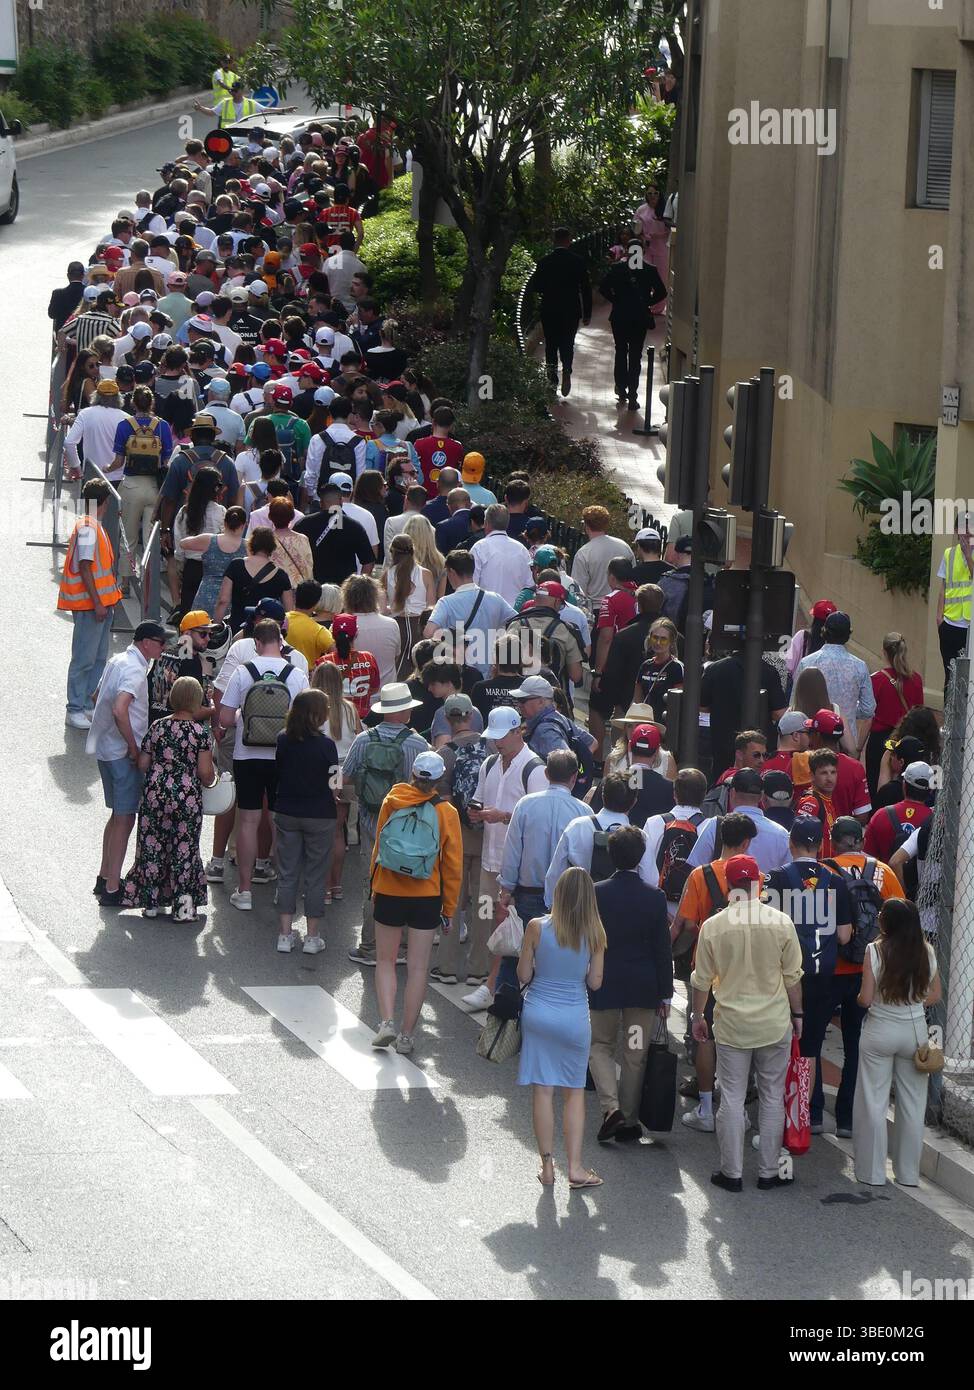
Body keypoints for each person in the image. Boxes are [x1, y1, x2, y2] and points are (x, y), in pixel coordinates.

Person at [690, 854, 804, 1192]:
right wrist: (798, 1016)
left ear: (728, 884)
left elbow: (701, 980)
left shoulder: (714, 926)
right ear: (759, 883)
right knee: (771, 1097)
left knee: (732, 1099)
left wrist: (698, 1017)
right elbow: (792, 977)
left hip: (732, 1025)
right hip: (773, 1023)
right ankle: (769, 1172)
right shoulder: (781, 922)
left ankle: (732, 1172)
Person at [813, 815, 905, 1137]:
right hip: (867, 969)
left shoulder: (821, 871)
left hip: (827, 968)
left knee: (811, 1040)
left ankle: (812, 1116)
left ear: (832, 841)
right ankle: (847, 1120)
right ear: (861, 841)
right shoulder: (883, 872)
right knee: (855, 1044)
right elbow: (899, 918)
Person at [515, 865, 605, 1188]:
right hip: (574, 1016)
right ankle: (576, 1168)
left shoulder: (536, 927)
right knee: (574, 1093)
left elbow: (524, 975)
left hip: (539, 1012)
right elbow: (595, 982)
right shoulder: (596, 933)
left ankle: (548, 1166)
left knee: (543, 1089)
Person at [369, 751, 462, 1056]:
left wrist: (373, 887)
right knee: (418, 967)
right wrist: (448, 910)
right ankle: (407, 1036)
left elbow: (378, 846)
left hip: (389, 889)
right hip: (426, 894)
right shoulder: (446, 813)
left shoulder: (392, 800)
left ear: (412, 774)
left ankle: (386, 1022)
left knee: (385, 961)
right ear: (438, 779)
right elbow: (452, 867)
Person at [459, 706, 551, 1005]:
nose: (496, 743)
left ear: (517, 732)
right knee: (488, 919)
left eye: (501, 737)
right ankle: (492, 982)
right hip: (490, 859)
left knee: (509, 925)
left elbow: (539, 820)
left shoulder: (535, 769)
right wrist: (476, 813)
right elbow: (479, 799)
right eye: (493, 737)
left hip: (517, 866)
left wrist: (503, 816)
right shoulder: (489, 764)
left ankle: (496, 985)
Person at [766, 816, 852, 1133]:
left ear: (791, 842)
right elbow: (844, 936)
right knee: (810, 1048)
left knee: (776, 1046)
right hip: (820, 974)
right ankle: (800, 1117)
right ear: (821, 846)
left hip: (783, 974)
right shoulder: (836, 881)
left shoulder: (776, 878)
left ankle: (773, 1116)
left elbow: (766, 926)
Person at [217, 618, 310, 911]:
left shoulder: (244, 672)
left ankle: (244, 891)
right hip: (284, 756)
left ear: (256, 643)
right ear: (281, 641)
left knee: (248, 821)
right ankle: (282, 890)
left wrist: (247, 718)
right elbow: (305, 721)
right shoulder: (296, 675)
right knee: (280, 822)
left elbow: (225, 719)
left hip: (248, 755)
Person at [588, 826, 672, 1144]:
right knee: (635, 1052)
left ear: (611, 854)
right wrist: (665, 992)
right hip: (643, 988)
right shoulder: (654, 897)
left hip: (604, 981)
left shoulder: (597, 892)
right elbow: (662, 949)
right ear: (641, 857)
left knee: (600, 1046)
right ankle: (629, 1117)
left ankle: (610, 1108)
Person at [343, 683, 431, 967]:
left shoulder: (364, 739)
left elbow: (345, 777)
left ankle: (370, 947)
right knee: (407, 879)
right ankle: (402, 947)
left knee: (372, 884)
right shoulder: (418, 744)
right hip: (409, 825)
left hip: (371, 821)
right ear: (404, 711)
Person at [854, 900, 941, 1187]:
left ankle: (872, 1173)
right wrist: (912, 1003)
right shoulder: (926, 952)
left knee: (873, 1100)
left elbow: (865, 999)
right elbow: (935, 995)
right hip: (914, 1031)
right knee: (913, 1105)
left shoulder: (874, 951)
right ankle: (907, 1174)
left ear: (886, 923)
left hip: (880, 1028)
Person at [86, 621, 168, 905]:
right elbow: (120, 708)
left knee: (115, 817)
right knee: (125, 818)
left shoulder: (117, 659)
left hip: (105, 751)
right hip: (122, 754)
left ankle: (103, 876)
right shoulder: (134, 669)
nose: (164, 647)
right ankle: (112, 888)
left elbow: (96, 697)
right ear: (146, 642)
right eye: (160, 642)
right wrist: (134, 747)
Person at [121, 675, 214, 922]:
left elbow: (143, 764)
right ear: (196, 701)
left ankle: (151, 904)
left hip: (155, 795)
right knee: (184, 851)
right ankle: (183, 911)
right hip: (186, 799)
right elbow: (205, 774)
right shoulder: (199, 733)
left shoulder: (158, 727)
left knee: (152, 847)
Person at [274, 688, 339, 954]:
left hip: (288, 811)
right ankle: (312, 937)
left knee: (287, 873)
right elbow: (335, 784)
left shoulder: (283, 739)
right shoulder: (327, 746)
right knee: (315, 876)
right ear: (317, 714)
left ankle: (285, 934)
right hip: (320, 814)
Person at [59, 478, 124, 729]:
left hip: (99, 605)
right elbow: (86, 567)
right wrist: (98, 603)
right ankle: (75, 708)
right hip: (91, 606)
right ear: (105, 502)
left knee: (96, 658)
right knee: (85, 658)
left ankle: (86, 704)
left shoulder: (91, 526)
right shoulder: (89, 527)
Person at [545, 771, 660, 905]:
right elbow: (650, 880)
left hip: (580, 910)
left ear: (602, 795)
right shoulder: (640, 837)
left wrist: (551, 906)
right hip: (622, 911)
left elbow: (555, 873)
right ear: (634, 802)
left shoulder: (577, 826)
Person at [309, 660, 362, 902]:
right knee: (337, 833)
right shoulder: (350, 709)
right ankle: (336, 886)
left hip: (319, 773)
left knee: (318, 835)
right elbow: (359, 739)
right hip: (345, 773)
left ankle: (322, 888)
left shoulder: (313, 711)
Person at [700, 647, 788, 783]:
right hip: (758, 746)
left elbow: (702, 705)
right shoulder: (768, 672)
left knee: (722, 786)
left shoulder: (715, 669)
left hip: (723, 744)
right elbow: (779, 713)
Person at [795, 611, 876, 759]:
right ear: (848, 635)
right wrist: (848, 709)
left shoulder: (807, 662)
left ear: (824, 632)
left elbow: (795, 703)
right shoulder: (859, 666)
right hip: (846, 741)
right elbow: (868, 709)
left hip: (812, 741)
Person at [425, 549, 515, 679]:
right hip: (492, 670)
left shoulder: (446, 602)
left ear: (452, 572)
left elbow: (428, 633)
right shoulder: (495, 598)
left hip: (460, 672)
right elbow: (517, 621)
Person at [523, 227, 592, 397]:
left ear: (554, 241)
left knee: (551, 344)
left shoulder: (544, 262)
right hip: (571, 308)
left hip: (550, 308)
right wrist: (587, 313)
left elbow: (537, 287)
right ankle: (567, 369)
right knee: (568, 342)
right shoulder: (578, 261)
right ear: (568, 240)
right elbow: (586, 288)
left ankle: (552, 379)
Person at [598, 237, 666, 409]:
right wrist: (647, 302)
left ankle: (622, 389)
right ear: (641, 251)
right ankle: (633, 396)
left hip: (620, 316)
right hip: (639, 317)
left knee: (621, 351)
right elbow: (661, 291)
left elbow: (603, 288)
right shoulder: (649, 270)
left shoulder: (617, 269)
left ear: (628, 251)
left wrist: (616, 300)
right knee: (635, 356)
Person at [688, 767, 791, 874]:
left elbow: (695, 869)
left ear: (732, 793)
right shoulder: (781, 834)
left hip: (721, 889)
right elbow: (787, 877)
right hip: (764, 890)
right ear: (761, 796)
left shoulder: (715, 825)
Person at [866, 633, 925, 799]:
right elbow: (918, 710)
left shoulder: (877, 680)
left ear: (884, 652)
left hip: (880, 741)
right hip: (907, 738)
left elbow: (868, 716)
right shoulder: (916, 680)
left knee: (875, 784)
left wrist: (858, 747)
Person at [213, 527, 294, 633]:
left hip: (238, 626)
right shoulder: (281, 575)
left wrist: (216, 627)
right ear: (272, 547)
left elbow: (223, 600)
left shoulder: (236, 565)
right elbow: (289, 611)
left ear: (251, 544)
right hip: (267, 632)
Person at [178, 507, 249, 619]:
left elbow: (183, 543)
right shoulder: (248, 546)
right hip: (232, 597)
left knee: (199, 631)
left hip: (206, 594)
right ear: (244, 524)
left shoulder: (209, 540)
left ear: (224, 522)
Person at [381, 533, 435, 670]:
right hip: (419, 625)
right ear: (413, 551)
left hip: (396, 625)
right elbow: (431, 606)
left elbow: (382, 608)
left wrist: (392, 608)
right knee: (421, 667)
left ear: (392, 553)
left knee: (397, 667)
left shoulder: (387, 575)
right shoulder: (426, 574)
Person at [863, 762, 934, 861]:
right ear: (930, 790)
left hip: (885, 875)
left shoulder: (881, 815)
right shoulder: (934, 821)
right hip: (921, 876)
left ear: (904, 785)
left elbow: (866, 858)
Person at [340, 573, 401, 688]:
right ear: (374, 597)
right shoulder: (391, 625)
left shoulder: (340, 626)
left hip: (353, 696)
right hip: (386, 694)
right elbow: (395, 656)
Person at [936, 511, 973, 691]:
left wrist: (968, 556)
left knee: (967, 679)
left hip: (969, 627)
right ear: (956, 530)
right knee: (950, 676)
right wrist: (939, 617)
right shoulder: (949, 554)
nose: (967, 532)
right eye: (963, 527)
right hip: (949, 624)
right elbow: (944, 586)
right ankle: (949, 718)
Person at [471, 504, 534, 606]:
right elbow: (529, 585)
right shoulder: (521, 549)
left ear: (486, 523)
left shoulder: (479, 548)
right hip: (514, 613)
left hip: (486, 610)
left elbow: (472, 584)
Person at [571, 507, 634, 607]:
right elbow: (633, 578)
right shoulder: (624, 546)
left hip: (596, 607)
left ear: (586, 526)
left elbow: (579, 589)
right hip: (624, 604)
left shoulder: (584, 553)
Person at [636, 617, 684, 725]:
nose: (658, 642)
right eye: (655, 638)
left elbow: (680, 704)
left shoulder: (677, 667)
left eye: (663, 639)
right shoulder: (645, 665)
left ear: (671, 642)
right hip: (645, 725)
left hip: (667, 726)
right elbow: (637, 700)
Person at [794, 749, 840, 856]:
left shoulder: (827, 801)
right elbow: (801, 843)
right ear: (812, 775)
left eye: (833, 772)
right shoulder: (811, 802)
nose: (829, 778)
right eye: (824, 773)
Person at [281, 580, 337, 667]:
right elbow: (335, 653)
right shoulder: (318, 630)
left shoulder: (279, 620)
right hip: (306, 677)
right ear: (317, 602)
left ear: (295, 597)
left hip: (277, 675)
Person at [633, 185, 670, 309]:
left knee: (661, 277)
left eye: (655, 193)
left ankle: (658, 307)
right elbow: (636, 227)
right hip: (646, 247)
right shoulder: (641, 210)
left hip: (661, 246)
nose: (652, 196)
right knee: (644, 276)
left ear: (659, 194)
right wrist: (642, 237)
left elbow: (671, 227)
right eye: (649, 193)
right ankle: (644, 303)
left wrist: (659, 235)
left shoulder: (665, 209)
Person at [785, 598, 837, 684]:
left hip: (799, 689)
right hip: (824, 693)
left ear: (814, 618)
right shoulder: (835, 644)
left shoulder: (802, 636)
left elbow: (788, 665)